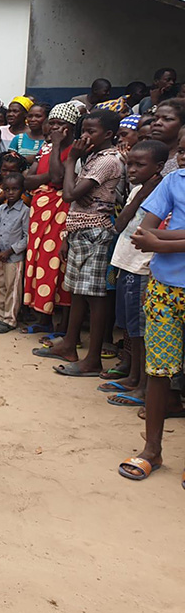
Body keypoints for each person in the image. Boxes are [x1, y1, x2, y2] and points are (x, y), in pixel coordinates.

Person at [34, 110, 124, 377]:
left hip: (95, 231)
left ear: (108, 134)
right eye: (83, 130)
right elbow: (73, 194)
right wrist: (74, 193)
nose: (85, 136)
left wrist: (71, 159)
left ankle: (93, 360)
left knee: (94, 297)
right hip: (79, 230)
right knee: (77, 292)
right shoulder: (94, 156)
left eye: (91, 131)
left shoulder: (108, 160)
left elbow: (68, 192)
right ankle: (69, 344)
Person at [122, 139, 185, 484]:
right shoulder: (173, 183)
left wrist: (163, 243)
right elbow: (144, 232)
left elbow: (154, 238)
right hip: (164, 288)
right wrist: (161, 243)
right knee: (159, 370)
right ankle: (152, 449)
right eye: (183, 152)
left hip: (165, 273)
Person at [103, 140, 169, 407]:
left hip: (142, 268)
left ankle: (143, 386)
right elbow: (119, 224)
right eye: (129, 163)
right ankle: (133, 377)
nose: (131, 169)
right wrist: (140, 195)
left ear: (159, 167)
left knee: (142, 331)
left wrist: (144, 195)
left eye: (139, 165)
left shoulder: (162, 192)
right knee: (131, 328)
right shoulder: (138, 191)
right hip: (126, 264)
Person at [21, 102, 80, 333]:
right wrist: (48, 178)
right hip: (39, 213)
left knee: (56, 263)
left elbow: (57, 177)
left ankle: (61, 325)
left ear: (72, 127)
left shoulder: (73, 149)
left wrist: (56, 147)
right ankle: (42, 319)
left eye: (60, 124)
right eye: (52, 123)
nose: (55, 128)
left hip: (60, 212)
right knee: (38, 261)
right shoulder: (45, 149)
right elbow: (27, 180)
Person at [0, 172, 29, 333]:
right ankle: (0, 316)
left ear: (22, 190)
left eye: (15, 189)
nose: (11, 192)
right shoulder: (1, 209)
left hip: (14, 258)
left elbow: (27, 237)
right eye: (7, 189)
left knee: (13, 288)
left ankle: (10, 319)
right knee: (0, 286)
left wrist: (11, 250)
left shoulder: (25, 211)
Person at [149, 99, 185, 175]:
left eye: (167, 119)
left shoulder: (182, 160)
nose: (157, 123)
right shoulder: (140, 154)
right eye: (155, 119)